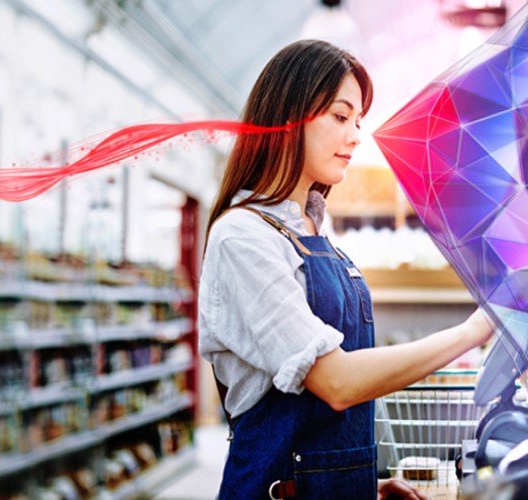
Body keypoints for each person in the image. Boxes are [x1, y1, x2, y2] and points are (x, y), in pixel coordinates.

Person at [198, 39, 495, 500]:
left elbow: (321, 424)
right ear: (289, 116)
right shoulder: (243, 238)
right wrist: (473, 330)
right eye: (340, 117)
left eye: (358, 121)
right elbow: (337, 383)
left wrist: (364, 485)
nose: (356, 135)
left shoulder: (311, 230)